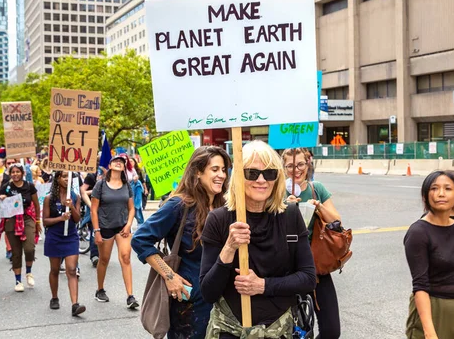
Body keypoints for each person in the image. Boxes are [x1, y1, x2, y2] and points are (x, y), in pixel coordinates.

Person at [200, 141, 317, 338]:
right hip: (230, 330)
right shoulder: (219, 219)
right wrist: (229, 248)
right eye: (252, 173)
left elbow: (308, 278)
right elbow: (208, 293)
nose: (261, 180)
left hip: (279, 329)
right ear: (238, 177)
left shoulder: (290, 216)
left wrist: (262, 286)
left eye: (269, 173)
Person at [132, 146, 232, 338]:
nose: (221, 175)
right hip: (190, 307)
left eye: (223, 170)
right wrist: (170, 277)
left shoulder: (226, 206)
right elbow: (140, 239)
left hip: (223, 302)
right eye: (215, 169)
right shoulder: (179, 205)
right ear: (198, 172)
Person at [404, 170, 454, 339]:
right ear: (425, 196)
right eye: (434, 188)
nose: (441, 193)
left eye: (447, 188)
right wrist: (429, 331)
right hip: (434, 308)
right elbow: (420, 285)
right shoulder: (418, 232)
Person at [282, 147, 342, 339]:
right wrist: (284, 207)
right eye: (290, 166)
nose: (296, 170)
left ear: (308, 164)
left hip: (316, 265)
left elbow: (337, 221)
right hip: (285, 266)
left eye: (300, 164)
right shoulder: (276, 190)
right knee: (292, 331)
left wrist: (319, 207)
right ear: (283, 167)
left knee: (332, 330)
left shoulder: (317, 189)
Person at [90, 154, 139, 309]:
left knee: (125, 258)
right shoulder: (101, 185)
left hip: (122, 226)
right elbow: (93, 209)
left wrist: (128, 224)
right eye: (115, 161)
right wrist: (97, 231)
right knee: (104, 259)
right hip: (104, 226)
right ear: (109, 166)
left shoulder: (127, 185)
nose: (119, 163)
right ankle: (100, 289)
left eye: (122, 162)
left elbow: (131, 208)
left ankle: (130, 296)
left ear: (124, 167)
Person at [42, 170, 86, 316]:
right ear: (58, 179)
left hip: (70, 236)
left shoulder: (75, 197)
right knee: (55, 269)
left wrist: (72, 206)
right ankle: (54, 297)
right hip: (54, 236)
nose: (67, 179)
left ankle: (75, 304)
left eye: (69, 177)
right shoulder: (49, 198)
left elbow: (77, 218)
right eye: (64, 176)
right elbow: (45, 221)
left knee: (72, 270)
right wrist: (60, 219)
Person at [0, 163, 42, 292]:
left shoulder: (29, 186)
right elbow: (0, 206)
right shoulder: (6, 187)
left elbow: (36, 205)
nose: (15, 174)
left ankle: (28, 272)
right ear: (10, 174)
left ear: (22, 173)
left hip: (27, 218)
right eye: (13, 172)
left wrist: (37, 222)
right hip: (11, 220)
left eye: (18, 172)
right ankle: (18, 281)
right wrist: (2, 198)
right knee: (16, 253)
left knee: (29, 248)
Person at [82, 170, 100, 267]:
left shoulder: (112, 177)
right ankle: (94, 256)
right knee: (95, 230)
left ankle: (103, 255)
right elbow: (83, 191)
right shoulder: (91, 176)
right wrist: (91, 206)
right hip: (94, 209)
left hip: (108, 210)